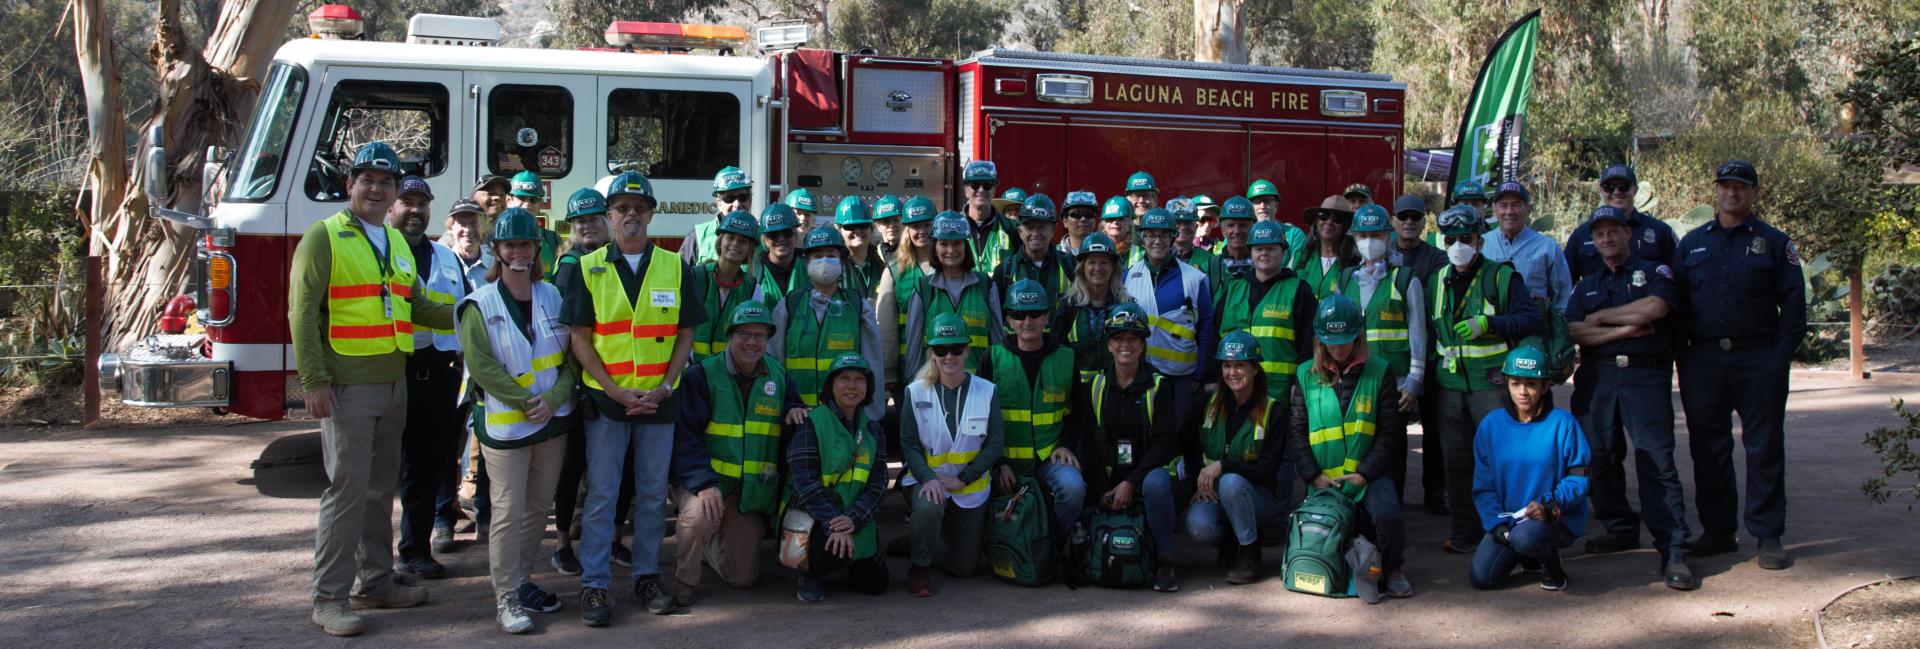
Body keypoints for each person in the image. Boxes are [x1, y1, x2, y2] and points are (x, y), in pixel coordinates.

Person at [289, 141, 456, 637]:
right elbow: (301, 314)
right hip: (346, 389)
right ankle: (329, 599)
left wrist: (473, 312)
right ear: (351, 186)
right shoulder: (324, 237)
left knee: (381, 489)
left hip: (394, 382)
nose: (378, 189)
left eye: (387, 183)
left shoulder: (395, 241)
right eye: (368, 180)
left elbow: (417, 305)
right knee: (346, 491)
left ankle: (377, 582)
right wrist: (315, 381)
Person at [561, 170, 705, 626]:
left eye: (639, 208)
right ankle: (595, 585)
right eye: (622, 208)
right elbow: (580, 339)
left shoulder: (673, 266)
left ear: (651, 214)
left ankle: (645, 576)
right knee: (602, 496)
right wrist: (613, 389)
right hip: (608, 403)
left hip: (660, 401)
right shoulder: (587, 267)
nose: (631, 215)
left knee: (649, 497)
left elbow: (686, 334)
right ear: (609, 215)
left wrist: (665, 386)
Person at [1675, 160, 1805, 571]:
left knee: (1764, 446)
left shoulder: (1774, 242)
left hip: (1758, 358)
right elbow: (1676, 306)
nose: (1732, 193)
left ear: (1754, 192)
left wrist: (1777, 359)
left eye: (1741, 187)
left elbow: (1795, 307)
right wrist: (1685, 357)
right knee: (1707, 448)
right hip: (1704, 360)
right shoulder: (1692, 244)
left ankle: (1768, 535)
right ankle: (1718, 531)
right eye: (1726, 186)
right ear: (1715, 191)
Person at [456, 208, 578, 634]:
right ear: (497, 251)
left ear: (536, 249)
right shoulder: (479, 302)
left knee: (538, 508)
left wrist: (555, 398)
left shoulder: (553, 296)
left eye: (526, 244)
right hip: (507, 423)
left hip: (551, 419)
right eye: (510, 245)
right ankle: (505, 597)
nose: (519, 251)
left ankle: (523, 581)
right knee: (507, 510)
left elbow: (571, 359)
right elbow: (482, 366)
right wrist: (527, 400)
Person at [1565, 205, 1695, 590]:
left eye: (1613, 232)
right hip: (1597, 377)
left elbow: (1655, 308)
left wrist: (1603, 319)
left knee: (1656, 460)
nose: (1606, 239)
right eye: (1599, 234)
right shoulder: (1586, 283)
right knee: (1599, 457)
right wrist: (1624, 328)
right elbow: (1573, 331)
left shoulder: (1654, 271)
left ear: (1627, 234)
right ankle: (1620, 527)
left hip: (1644, 375)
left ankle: (1673, 549)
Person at [668, 302, 808, 603]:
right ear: (730, 335)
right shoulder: (702, 374)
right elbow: (685, 439)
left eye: (760, 335)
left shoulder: (779, 376)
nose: (752, 342)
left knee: (743, 578)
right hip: (705, 482)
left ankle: (711, 543)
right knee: (697, 518)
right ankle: (685, 584)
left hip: (747, 492)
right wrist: (703, 484)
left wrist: (794, 410)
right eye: (744, 333)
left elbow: (791, 407)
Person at [1428, 204, 1544, 554]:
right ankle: (1465, 533)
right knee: (1457, 461)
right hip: (1450, 388)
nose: (1458, 245)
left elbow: (1530, 319)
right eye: (1452, 239)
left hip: (1491, 387)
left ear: (1479, 240)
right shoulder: (1437, 279)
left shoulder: (1501, 277)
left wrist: (1490, 325)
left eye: (1466, 238)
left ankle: (1508, 531)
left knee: (1500, 461)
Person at [1286, 296, 1412, 598]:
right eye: (1331, 342)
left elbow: (1389, 433)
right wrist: (1312, 475)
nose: (1338, 348)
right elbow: (1298, 431)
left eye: (1345, 341)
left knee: (1388, 515)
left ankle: (1394, 567)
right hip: (1322, 478)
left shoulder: (1380, 370)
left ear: (1359, 336)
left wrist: (1365, 473)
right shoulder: (1305, 373)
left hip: (1367, 473)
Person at [1154, 331, 1288, 585]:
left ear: (1255, 369)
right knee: (1198, 525)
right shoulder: (1208, 403)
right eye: (1227, 365)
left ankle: (1250, 552)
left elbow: (1268, 472)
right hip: (1214, 493)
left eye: (1240, 365)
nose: (1232, 373)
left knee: (1231, 482)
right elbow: (1184, 439)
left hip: (1258, 498)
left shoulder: (1273, 411)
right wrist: (1197, 480)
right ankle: (1231, 541)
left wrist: (1223, 465)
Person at [384, 176, 467, 582]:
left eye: (422, 203)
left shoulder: (447, 257)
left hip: (440, 374)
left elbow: (465, 312)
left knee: (427, 465)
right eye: (407, 201)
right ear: (391, 207)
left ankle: (414, 552)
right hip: (391, 370)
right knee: (383, 471)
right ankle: (374, 564)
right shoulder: (379, 251)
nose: (415, 210)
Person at [547, 188, 633, 580]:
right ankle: (563, 545)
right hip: (582, 382)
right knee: (574, 465)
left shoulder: (619, 260)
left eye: (594, 218)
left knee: (623, 466)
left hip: (621, 379)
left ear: (607, 221)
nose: (587, 225)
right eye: (579, 220)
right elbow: (568, 334)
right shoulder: (570, 265)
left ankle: (615, 540)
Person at [899, 313, 1007, 596]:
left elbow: (995, 444)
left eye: (957, 349)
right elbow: (908, 443)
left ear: (967, 350)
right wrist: (928, 479)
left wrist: (965, 478)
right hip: (929, 481)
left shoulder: (987, 391)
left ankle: (919, 540)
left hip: (969, 486)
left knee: (966, 568)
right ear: (931, 353)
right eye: (941, 350)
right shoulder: (915, 392)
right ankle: (919, 565)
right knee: (930, 505)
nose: (949, 356)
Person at [1468, 346, 1591, 591]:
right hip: (1510, 520)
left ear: (1545, 387)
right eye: (1516, 383)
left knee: (1526, 538)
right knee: (1482, 578)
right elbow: (1484, 485)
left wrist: (1549, 506)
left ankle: (1551, 564)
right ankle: (1527, 556)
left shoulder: (1563, 423)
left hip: (1554, 517)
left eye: (1531, 384)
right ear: (1507, 384)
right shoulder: (1490, 425)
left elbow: (1579, 478)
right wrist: (1497, 524)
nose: (1523, 392)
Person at [1082, 304, 1183, 592]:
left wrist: (1130, 482)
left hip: (1149, 475)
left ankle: (1165, 559)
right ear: (1109, 344)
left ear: (1142, 344)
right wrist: (1104, 487)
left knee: (1156, 484)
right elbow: (1089, 440)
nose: (1125, 345)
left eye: (1133, 338)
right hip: (1111, 477)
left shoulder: (1160, 385)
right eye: (1118, 338)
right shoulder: (1096, 385)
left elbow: (1165, 442)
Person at [1340, 203, 1429, 510]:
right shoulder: (1345, 280)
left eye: (1375, 234)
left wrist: (1414, 382)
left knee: (1390, 451)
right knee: (1355, 447)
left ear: (1388, 236)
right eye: (1363, 235)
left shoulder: (1406, 279)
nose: (1369, 241)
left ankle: (1391, 513)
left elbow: (1418, 333)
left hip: (1395, 384)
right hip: (1353, 381)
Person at [982, 279, 1084, 542]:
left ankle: (1052, 546)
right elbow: (979, 420)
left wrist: (1066, 445)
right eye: (1018, 314)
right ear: (1008, 320)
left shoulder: (1066, 357)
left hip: (1050, 458)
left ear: (1047, 316)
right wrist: (998, 463)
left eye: (1035, 313)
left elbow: (1079, 411)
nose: (1027, 321)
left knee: (1073, 489)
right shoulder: (992, 358)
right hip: (1005, 464)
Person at [788, 353, 892, 601]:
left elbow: (878, 483)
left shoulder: (874, 430)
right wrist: (835, 522)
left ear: (868, 387)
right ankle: (810, 571)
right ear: (831, 385)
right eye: (844, 378)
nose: (852, 386)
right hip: (816, 519)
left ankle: (847, 555)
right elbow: (805, 482)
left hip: (854, 517)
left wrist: (853, 519)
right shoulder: (811, 423)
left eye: (859, 379)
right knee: (834, 553)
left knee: (876, 584)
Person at [771, 226, 887, 423]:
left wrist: (869, 418)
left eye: (830, 255)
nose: (824, 261)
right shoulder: (789, 306)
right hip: (798, 418)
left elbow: (873, 364)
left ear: (842, 261)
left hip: (845, 419)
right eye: (817, 256)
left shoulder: (858, 307)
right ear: (806, 262)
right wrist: (783, 410)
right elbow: (774, 363)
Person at [1123, 208, 1216, 452]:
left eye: (1163, 235)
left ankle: (1181, 482)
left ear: (1173, 237)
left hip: (1182, 375)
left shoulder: (1195, 278)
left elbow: (1206, 325)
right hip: (1143, 370)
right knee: (1146, 428)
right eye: (1150, 235)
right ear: (1141, 238)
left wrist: (1200, 373)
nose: (1157, 241)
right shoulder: (1128, 276)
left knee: (1181, 429)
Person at [1391, 194, 1451, 515]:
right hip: (1399, 360)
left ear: (1424, 221)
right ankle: (1394, 495)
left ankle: (1434, 492)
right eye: (1404, 216)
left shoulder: (1437, 259)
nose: (1410, 222)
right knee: (1395, 434)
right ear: (1394, 221)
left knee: (1434, 427)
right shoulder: (1385, 258)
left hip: (1431, 357)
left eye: (1416, 217)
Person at [1216, 220, 1316, 402]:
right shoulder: (1233, 289)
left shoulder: (1298, 290)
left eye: (1271, 248)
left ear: (1283, 252)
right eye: (1258, 249)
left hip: (1281, 391)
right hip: (1234, 390)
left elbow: (1308, 343)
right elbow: (1214, 336)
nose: (1264, 253)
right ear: (1251, 252)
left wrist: (1299, 384)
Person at [902, 211, 1005, 376]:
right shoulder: (923, 289)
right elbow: (914, 348)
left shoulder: (986, 285)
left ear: (966, 246)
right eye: (944, 244)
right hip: (935, 388)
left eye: (957, 243)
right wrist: (914, 389)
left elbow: (999, 343)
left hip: (978, 388)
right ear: (935, 248)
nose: (951, 250)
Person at [1565, 165, 1679, 285]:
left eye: (1623, 187)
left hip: (1648, 301)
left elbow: (1679, 277)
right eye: (1609, 187)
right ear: (1601, 190)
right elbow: (1564, 283)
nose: (1617, 192)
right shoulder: (1581, 234)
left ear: (1635, 190)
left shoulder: (1660, 231)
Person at [877, 196, 938, 409]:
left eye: (927, 225)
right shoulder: (895, 271)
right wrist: (890, 372)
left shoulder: (950, 266)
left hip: (948, 364)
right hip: (909, 369)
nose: (922, 231)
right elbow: (886, 329)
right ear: (907, 230)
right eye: (915, 226)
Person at [1481, 181, 1574, 313]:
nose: (1509, 211)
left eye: (1516, 205)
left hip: (1534, 326)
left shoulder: (1548, 247)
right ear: (1494, 210)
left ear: (1528, 209)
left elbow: (1562, 296)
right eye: (1503, 205)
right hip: (1489, 327)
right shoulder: (1481, 244)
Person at [688, 211, 771, 358]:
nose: (735, 244)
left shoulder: (752, 289)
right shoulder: (695, 277)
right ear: (720, 241)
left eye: (743, 241)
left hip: (728, 374)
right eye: (730, 237)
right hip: (690, 374)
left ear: (750, 249)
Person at [1054, 233, 1133, 383]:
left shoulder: (1126, 306)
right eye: (1091, 262)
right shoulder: (1069, 306)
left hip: (1114, 393)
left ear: (1113, 268)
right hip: (1076, 396)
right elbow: (1056, 352)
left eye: (1104, 262)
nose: (1098, 268)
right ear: (1082, 268)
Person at [993, 193, 1075, 301]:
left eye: (1041, 227)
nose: (1035, 233)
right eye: (1029, 227)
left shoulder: (1071, 265)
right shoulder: (1004, 271)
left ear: (1053, 230)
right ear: (1020, 232)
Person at [680, 166, 755, 266]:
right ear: (719, 203)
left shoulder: (762, 235)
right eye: (729, 198)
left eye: (743, 197)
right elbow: (681, 275)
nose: (737, 204)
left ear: (750, 200)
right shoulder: (698, 235)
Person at [960, 160, 1016, 274]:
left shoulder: (1011, 228)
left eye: (987, 185)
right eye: (975, 185)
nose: (981, 190)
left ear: (994, 189)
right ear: (966, 190)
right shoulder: (953, 226)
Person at [505, 170, 565, 274]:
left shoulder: (553, 240)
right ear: (509, 201)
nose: (527, 204)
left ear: (540, 203)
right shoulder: (496, 238)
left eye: (533, 200)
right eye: (521, 198)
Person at [1301, 196, 1359, 300]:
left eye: (1338, 219)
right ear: (1316, 221)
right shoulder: (1301, 256)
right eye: (1324, 216)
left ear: (1346, 226)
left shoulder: (1355, 262)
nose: (1329, 222)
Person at [1246, 179, 1310, 269]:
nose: (1262, 206)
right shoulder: (1242, 234)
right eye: (1257, 202)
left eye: (1267, 201)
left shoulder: (1294, 234)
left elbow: (1294, 270)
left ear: (1276, 206)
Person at [833, 197, 887, 301]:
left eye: (863, 225)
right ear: (839, 230)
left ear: (871, 228)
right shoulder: (832, 267)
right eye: (850, 226)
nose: (857, 231)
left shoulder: (883, 262)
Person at [756, 203, 804, 301]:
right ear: (765, 240)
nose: (781, 239)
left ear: (795, 236)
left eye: (787, 233)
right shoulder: (753, 269)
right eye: (774, 234)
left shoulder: (808, 266)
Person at [1211, 196, 1258, 289]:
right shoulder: (1209, 268)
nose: (1236, 231)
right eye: (1231, 225)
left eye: (1242, 225)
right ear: (1223, 230)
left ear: (1253, 228)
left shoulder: (1266, 266)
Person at [1169, 197, 1218, 278]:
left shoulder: (1211, 261)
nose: (1183, 227)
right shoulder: (1155, 258)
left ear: (1195, 226)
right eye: (1177, 222)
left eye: (1188, 222)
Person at [1057, 190, 1101, 257]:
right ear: (1065, 221)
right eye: (1076, 214)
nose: (1083, 219)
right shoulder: (1053, 255)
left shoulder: (1107, 253)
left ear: (1095, 220)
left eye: (1089, 214)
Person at [1101, 195, 1141, 267]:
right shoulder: (1093, 250)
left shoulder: (1141, 253)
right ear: (1104, 225)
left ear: (1130, 223)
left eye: (1121, 218)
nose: (1115, 222)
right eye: (1110, 219)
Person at [872, 194, 906, 261]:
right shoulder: (873, 254)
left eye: (896, 220)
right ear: (878, 226)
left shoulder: (913, 251)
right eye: (886, 221)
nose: (891, 225)